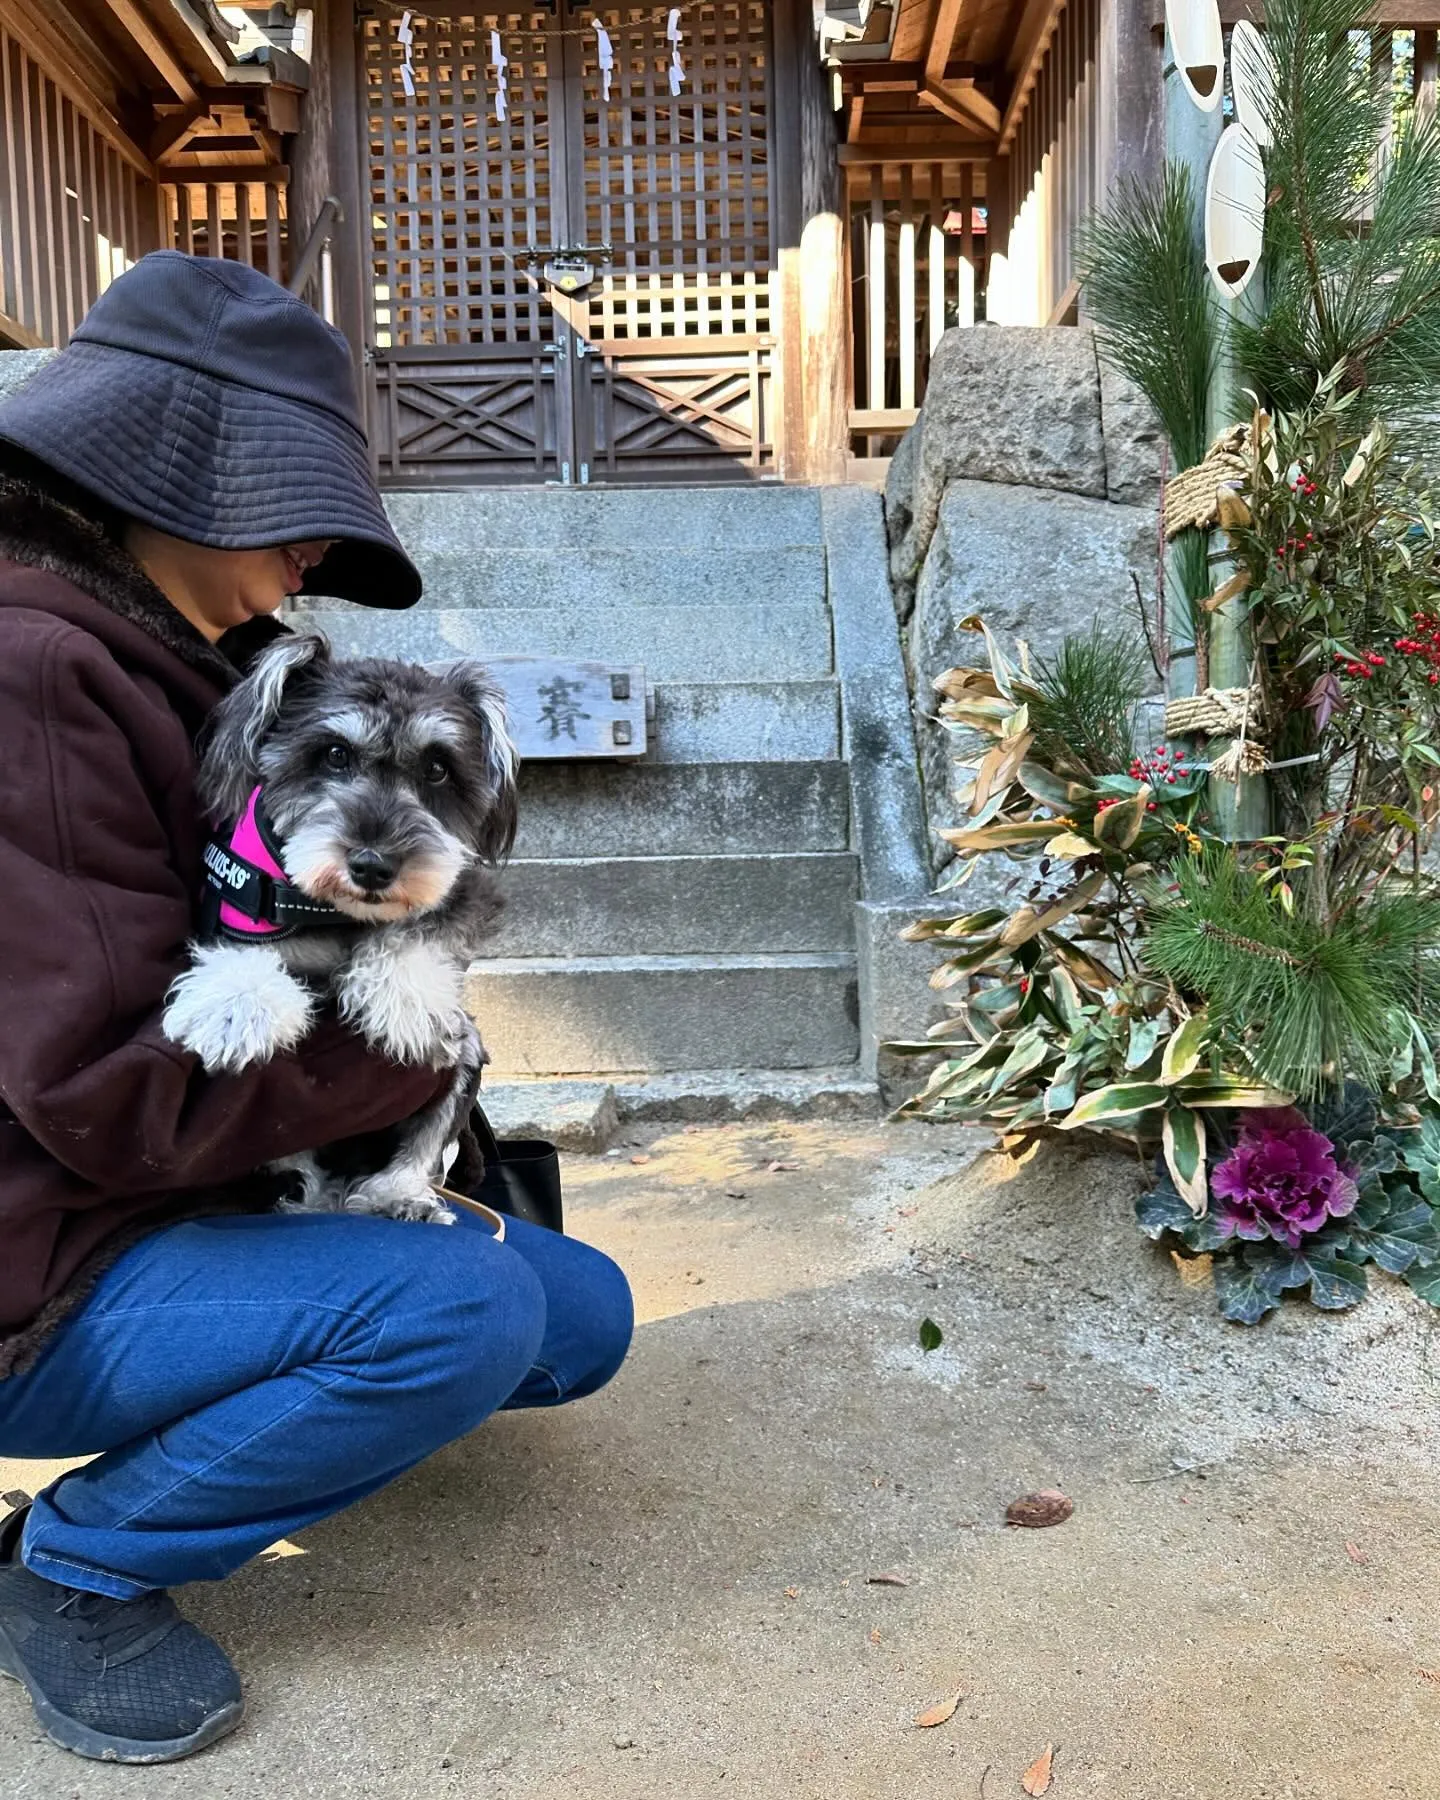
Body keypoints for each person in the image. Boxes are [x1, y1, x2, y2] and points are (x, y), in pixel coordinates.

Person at [0, 252, 633, 1765]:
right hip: (43, 1260)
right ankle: (78, 1562)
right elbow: (107, 1093)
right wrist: (411, 1045)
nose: (313, 555)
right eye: (294, 512)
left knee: (574, 1314)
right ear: (175, 475)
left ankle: (277, 1395)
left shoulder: (187, 657)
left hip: (151, 1200)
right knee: (465, 1312)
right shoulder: (34, 672)